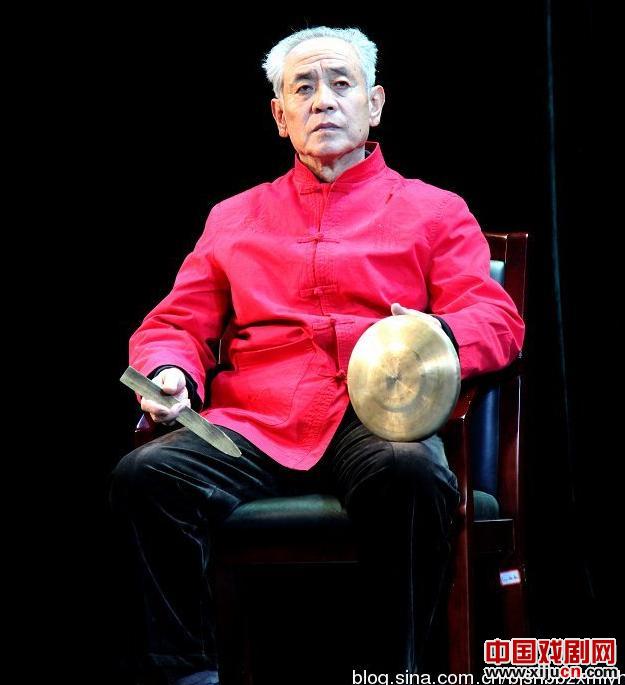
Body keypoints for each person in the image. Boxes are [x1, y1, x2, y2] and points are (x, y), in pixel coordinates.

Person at [109, 25, 525, 685]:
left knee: (411, 473)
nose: (323, 100)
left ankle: (393, 674)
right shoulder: (233, 217)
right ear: (280, 116)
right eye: (302, 88)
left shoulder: (435, 211)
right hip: (251, 423)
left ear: (374, 103)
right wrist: (167, 369)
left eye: (340, 83)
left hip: (377, 415)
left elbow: (495, 318)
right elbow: (177, 321)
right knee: (146, 475)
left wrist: (437, 336)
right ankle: (188, 675)